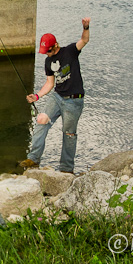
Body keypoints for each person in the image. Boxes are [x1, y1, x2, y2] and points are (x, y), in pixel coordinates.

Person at [18, 17, 91, 173]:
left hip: (74, 101)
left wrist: (86, 27)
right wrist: (37, 96)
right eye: (45, 52)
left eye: (49, 51)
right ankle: (33, 159)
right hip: (57, 97)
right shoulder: (48, 62)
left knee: (69, 134)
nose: (48, 54)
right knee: (41, 120)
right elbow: (50, 83)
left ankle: (66, 169)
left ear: (55, 45)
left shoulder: (70, 51)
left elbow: (84, 40)